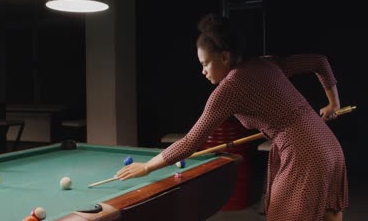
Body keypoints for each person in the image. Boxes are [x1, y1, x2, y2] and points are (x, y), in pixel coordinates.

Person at [116, 13, 348, 221]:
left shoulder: (229, 89)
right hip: (328, 144)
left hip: (303, 152)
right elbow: (320, 61)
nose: (203, 71)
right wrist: (333, 103)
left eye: (205, 63)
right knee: (330, 214)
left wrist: (147, 167)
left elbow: (190, 142)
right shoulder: (265, 62)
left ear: (225, 57)